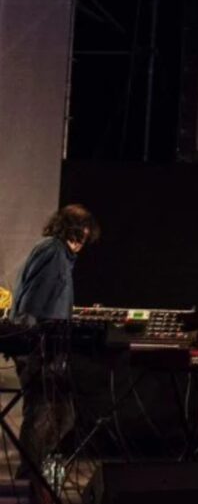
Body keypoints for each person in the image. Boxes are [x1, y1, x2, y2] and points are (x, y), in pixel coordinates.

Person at [10, 204, 100, 496]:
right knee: (44, 412)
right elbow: (34, 304)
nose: (80, 245)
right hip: (40, 346)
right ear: (69, 232)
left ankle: (34, 474)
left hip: (43, 343)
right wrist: (39, 337)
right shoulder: (54, 253)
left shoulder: (54, 253)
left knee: (61, 414)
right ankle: (28, 479)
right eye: (78, 237)